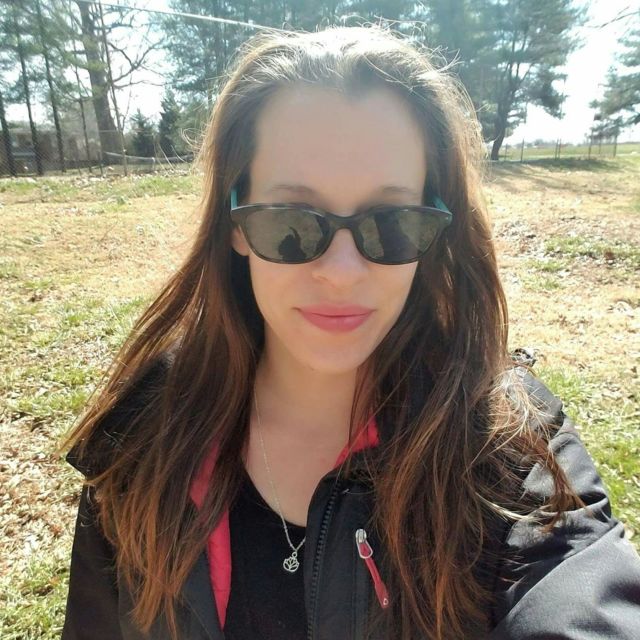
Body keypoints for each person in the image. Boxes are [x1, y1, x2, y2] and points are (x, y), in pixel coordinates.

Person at [60, 25, 640, 640]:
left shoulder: (509, 446)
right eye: (290, 221)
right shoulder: (144, 434)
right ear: (234, 225)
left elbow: (579, 587)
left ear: (436, 232)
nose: (340, 273)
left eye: (391, 222)